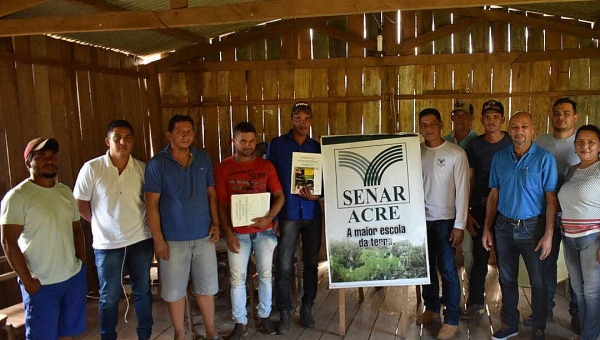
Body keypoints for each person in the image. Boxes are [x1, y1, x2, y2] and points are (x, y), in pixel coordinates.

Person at [73, 120, 153, 340]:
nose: (122, 142)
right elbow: (80, 203)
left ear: (133, 141)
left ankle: (145, 336)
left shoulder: (142, 169)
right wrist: (99, 223)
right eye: (117, 137)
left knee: (143, 291)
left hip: (140, 239)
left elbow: (151, 202)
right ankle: (108, 336)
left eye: (128, 137)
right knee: (109, 296)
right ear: (108, 141)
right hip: (107, 244)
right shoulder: (93, 168)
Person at [1, 138, 87, 340]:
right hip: (41, 283)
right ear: (28, 162)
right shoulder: (17, 197)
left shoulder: (65, 192)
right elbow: (8, 242)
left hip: (71, 278)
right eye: (41, 156)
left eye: (52, 156)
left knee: (69, 334)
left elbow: (76, 230)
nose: (49, 160)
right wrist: (27, 281)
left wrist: (81, 266)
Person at [482, 111, 558, 340]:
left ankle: (539, 325)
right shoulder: (500, 157)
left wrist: (548, 234)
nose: (519, 131)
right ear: (509, 130)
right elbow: (494, 195)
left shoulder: (545, 158)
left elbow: (551, 198)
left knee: (538, 280)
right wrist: (487, 228)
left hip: (532, 228)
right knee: (506, 278)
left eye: (524, 126)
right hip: (504, 227)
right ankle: (510, 323)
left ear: (533, 130)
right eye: (514, 127)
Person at [145, 115, 221, 340]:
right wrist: (158, 238)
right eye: (181, 131)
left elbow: (211, 194)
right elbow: (152, 203)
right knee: (174, 290)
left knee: (207, 287)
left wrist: (215, 222)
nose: (186, 135)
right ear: (169, 135)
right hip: (173, 240)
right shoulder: (158, 164)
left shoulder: (203, 158)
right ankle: (180, 333)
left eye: (190, 131)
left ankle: (211, 331)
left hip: (204, 236)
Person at [215, 122, 285, 339]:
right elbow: (222, 203)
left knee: (265, 275)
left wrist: (269, 218)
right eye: (243, 141)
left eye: (252, 140)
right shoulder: (223, 168)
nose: (248, 145)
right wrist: (228, 232)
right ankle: (240, 322)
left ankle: (264, 316)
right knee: (237, 278)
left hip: (264, 231)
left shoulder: (266, 166)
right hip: (238, 233)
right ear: (233, 141)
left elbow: (279, 196)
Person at [267, 101, 322, 334]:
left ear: (311, 120)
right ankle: (285, 312)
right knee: (284, 265)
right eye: (297, 118)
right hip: (287, 213)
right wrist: (274, 216)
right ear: (290, 120)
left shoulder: (317, 147)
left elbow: (327, 180)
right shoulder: (277, 145)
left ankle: (307, 308)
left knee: (311, 264)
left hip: (311, 213)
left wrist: (318, 194)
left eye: (306, 118)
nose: (302, 123)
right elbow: (268, 181)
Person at [417, 108, 469, 340]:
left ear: (440, 125)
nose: (428, 128)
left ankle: (452, 318)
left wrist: (459, 225)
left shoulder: (455, 153)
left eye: (432, 124)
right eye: (424, 124)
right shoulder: (415, 153)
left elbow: (463, 192)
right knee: (425, 270)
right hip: (420, 220)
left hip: (446, 221)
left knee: (448, 270)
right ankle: (431, 308)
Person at [528, 98, 580, 331]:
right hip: (545, 213)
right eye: (557, 113)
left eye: (566, 113)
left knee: (578, 266)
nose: (561, 117)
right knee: (545, 262)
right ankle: (544, 308)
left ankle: (578, 314)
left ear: (575, 117)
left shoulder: (583, 142)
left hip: (576, 214)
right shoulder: (540, 143)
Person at [460, 100, 512, 319]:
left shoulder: (511, 142)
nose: (491, 121)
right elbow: (468, 180)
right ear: (481, 119)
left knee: (506, 259)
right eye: (487, 117)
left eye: (496, 117)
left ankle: (510, 306)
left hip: (507, 208)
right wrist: (467, 212)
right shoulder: (474, 145)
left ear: (502, 120)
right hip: (481, 207)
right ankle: (475, 303)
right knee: (480, 257)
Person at [557, 125, 600, 340]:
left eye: (591, 142)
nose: (585, 146)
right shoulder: (573, 171)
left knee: (592, 293)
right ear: (575, 146)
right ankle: (587, 332)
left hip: (593, 239)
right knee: (579, 290)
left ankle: (590, 336)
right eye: (581, 142)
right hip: (570, 237)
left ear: (599, 146)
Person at [442, 100, 478, 278]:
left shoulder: (478, 142)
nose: (460, 119)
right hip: (446, 207)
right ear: (451, 117)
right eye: (457, 114)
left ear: (472, 118)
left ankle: (471, 292)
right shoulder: (443, 142)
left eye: (465, 115)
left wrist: (468, 210)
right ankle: (449, 294)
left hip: (469, 206)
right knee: (444, 252)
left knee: (469, 251)